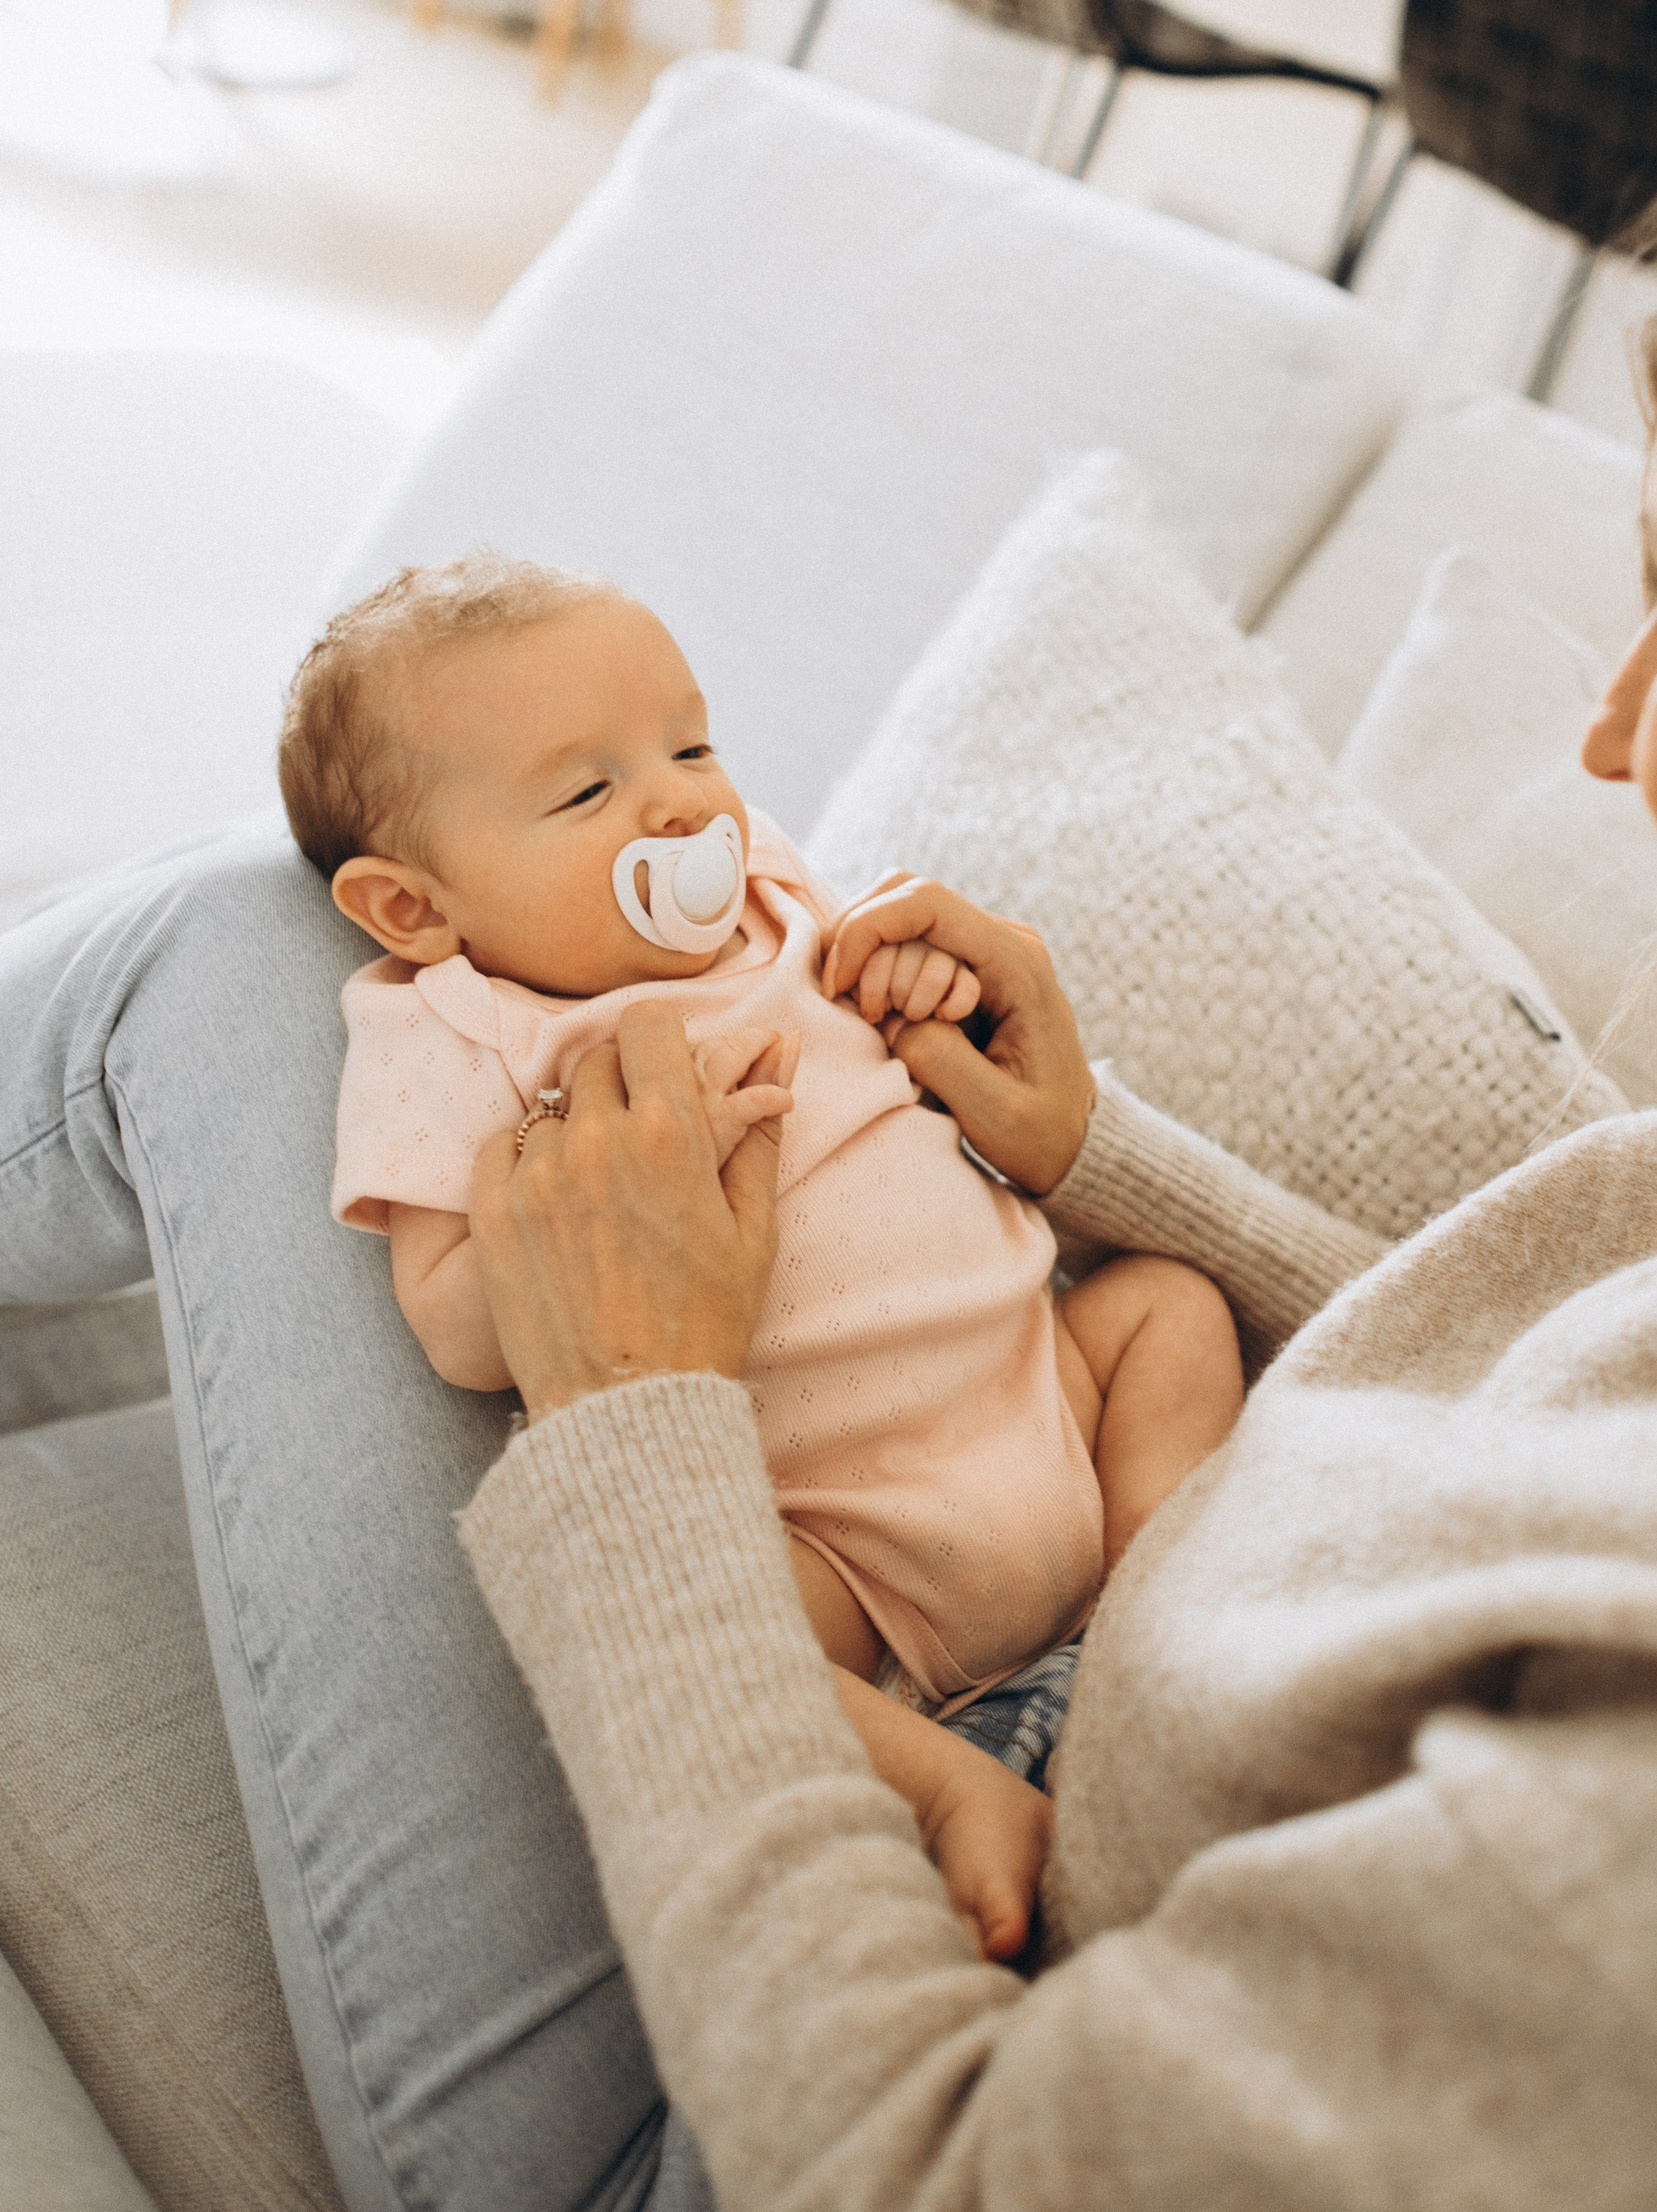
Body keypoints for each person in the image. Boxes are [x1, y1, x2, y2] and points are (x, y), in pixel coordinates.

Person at [3, 86, 1657, 2212]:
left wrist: (645, 1423)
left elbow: (925, 2203)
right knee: (278, 947)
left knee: (227, 953)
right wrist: (1088, 1153)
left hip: (746, 2108)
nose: (1607, 731)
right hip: (1086, 1626)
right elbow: (1503, 1382)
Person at [285, 560, 1242, 1960]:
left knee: (1172, 1307)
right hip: (841, 1543)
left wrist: (915, 984)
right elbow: (449, 1323)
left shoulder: (771, 890)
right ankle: (941, 1780)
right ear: (416, 909)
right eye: (586, 792)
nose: (681, 802)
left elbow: (876, 986)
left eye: (691, 745)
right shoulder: (459, 1029)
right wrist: (586, 1207)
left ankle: (1149, 1615)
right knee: (706, 1631)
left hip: (1049, 1391)